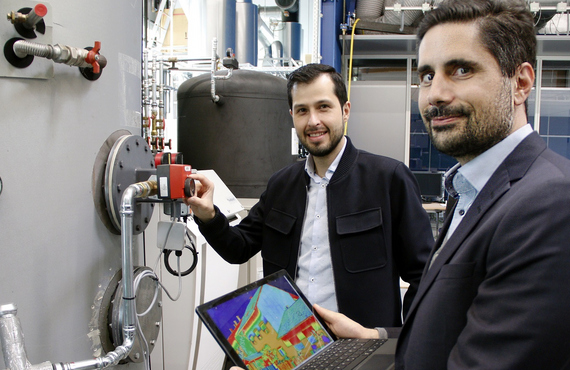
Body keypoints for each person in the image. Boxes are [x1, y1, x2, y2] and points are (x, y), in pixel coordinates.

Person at [225, 1, 570, 370]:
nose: (436, 94)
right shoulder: (469, 194)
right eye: (427, 75)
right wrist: (378, 338)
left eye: (461, 70)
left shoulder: (559, 205)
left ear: (521, 82)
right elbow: (464, 332)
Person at [185, 63, 434, 330]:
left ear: (345, 110)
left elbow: (424, 276)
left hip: (361, 351)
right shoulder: (282, 185)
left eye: (323, 107)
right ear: (292, 115)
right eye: (302, 110)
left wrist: (399, 346)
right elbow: (239, 247)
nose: (313, 121)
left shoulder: (388, 179)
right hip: (288, 346)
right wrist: (208, 215)